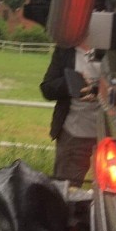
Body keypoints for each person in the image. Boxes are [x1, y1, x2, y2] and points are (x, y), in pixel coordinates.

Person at [40, 43, 100, 187]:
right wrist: (72, 81)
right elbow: (47, 89)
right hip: (74, 134)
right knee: (66, 189)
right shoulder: (65, 49)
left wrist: (98, 90)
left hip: (113, 134)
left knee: (112, 195)